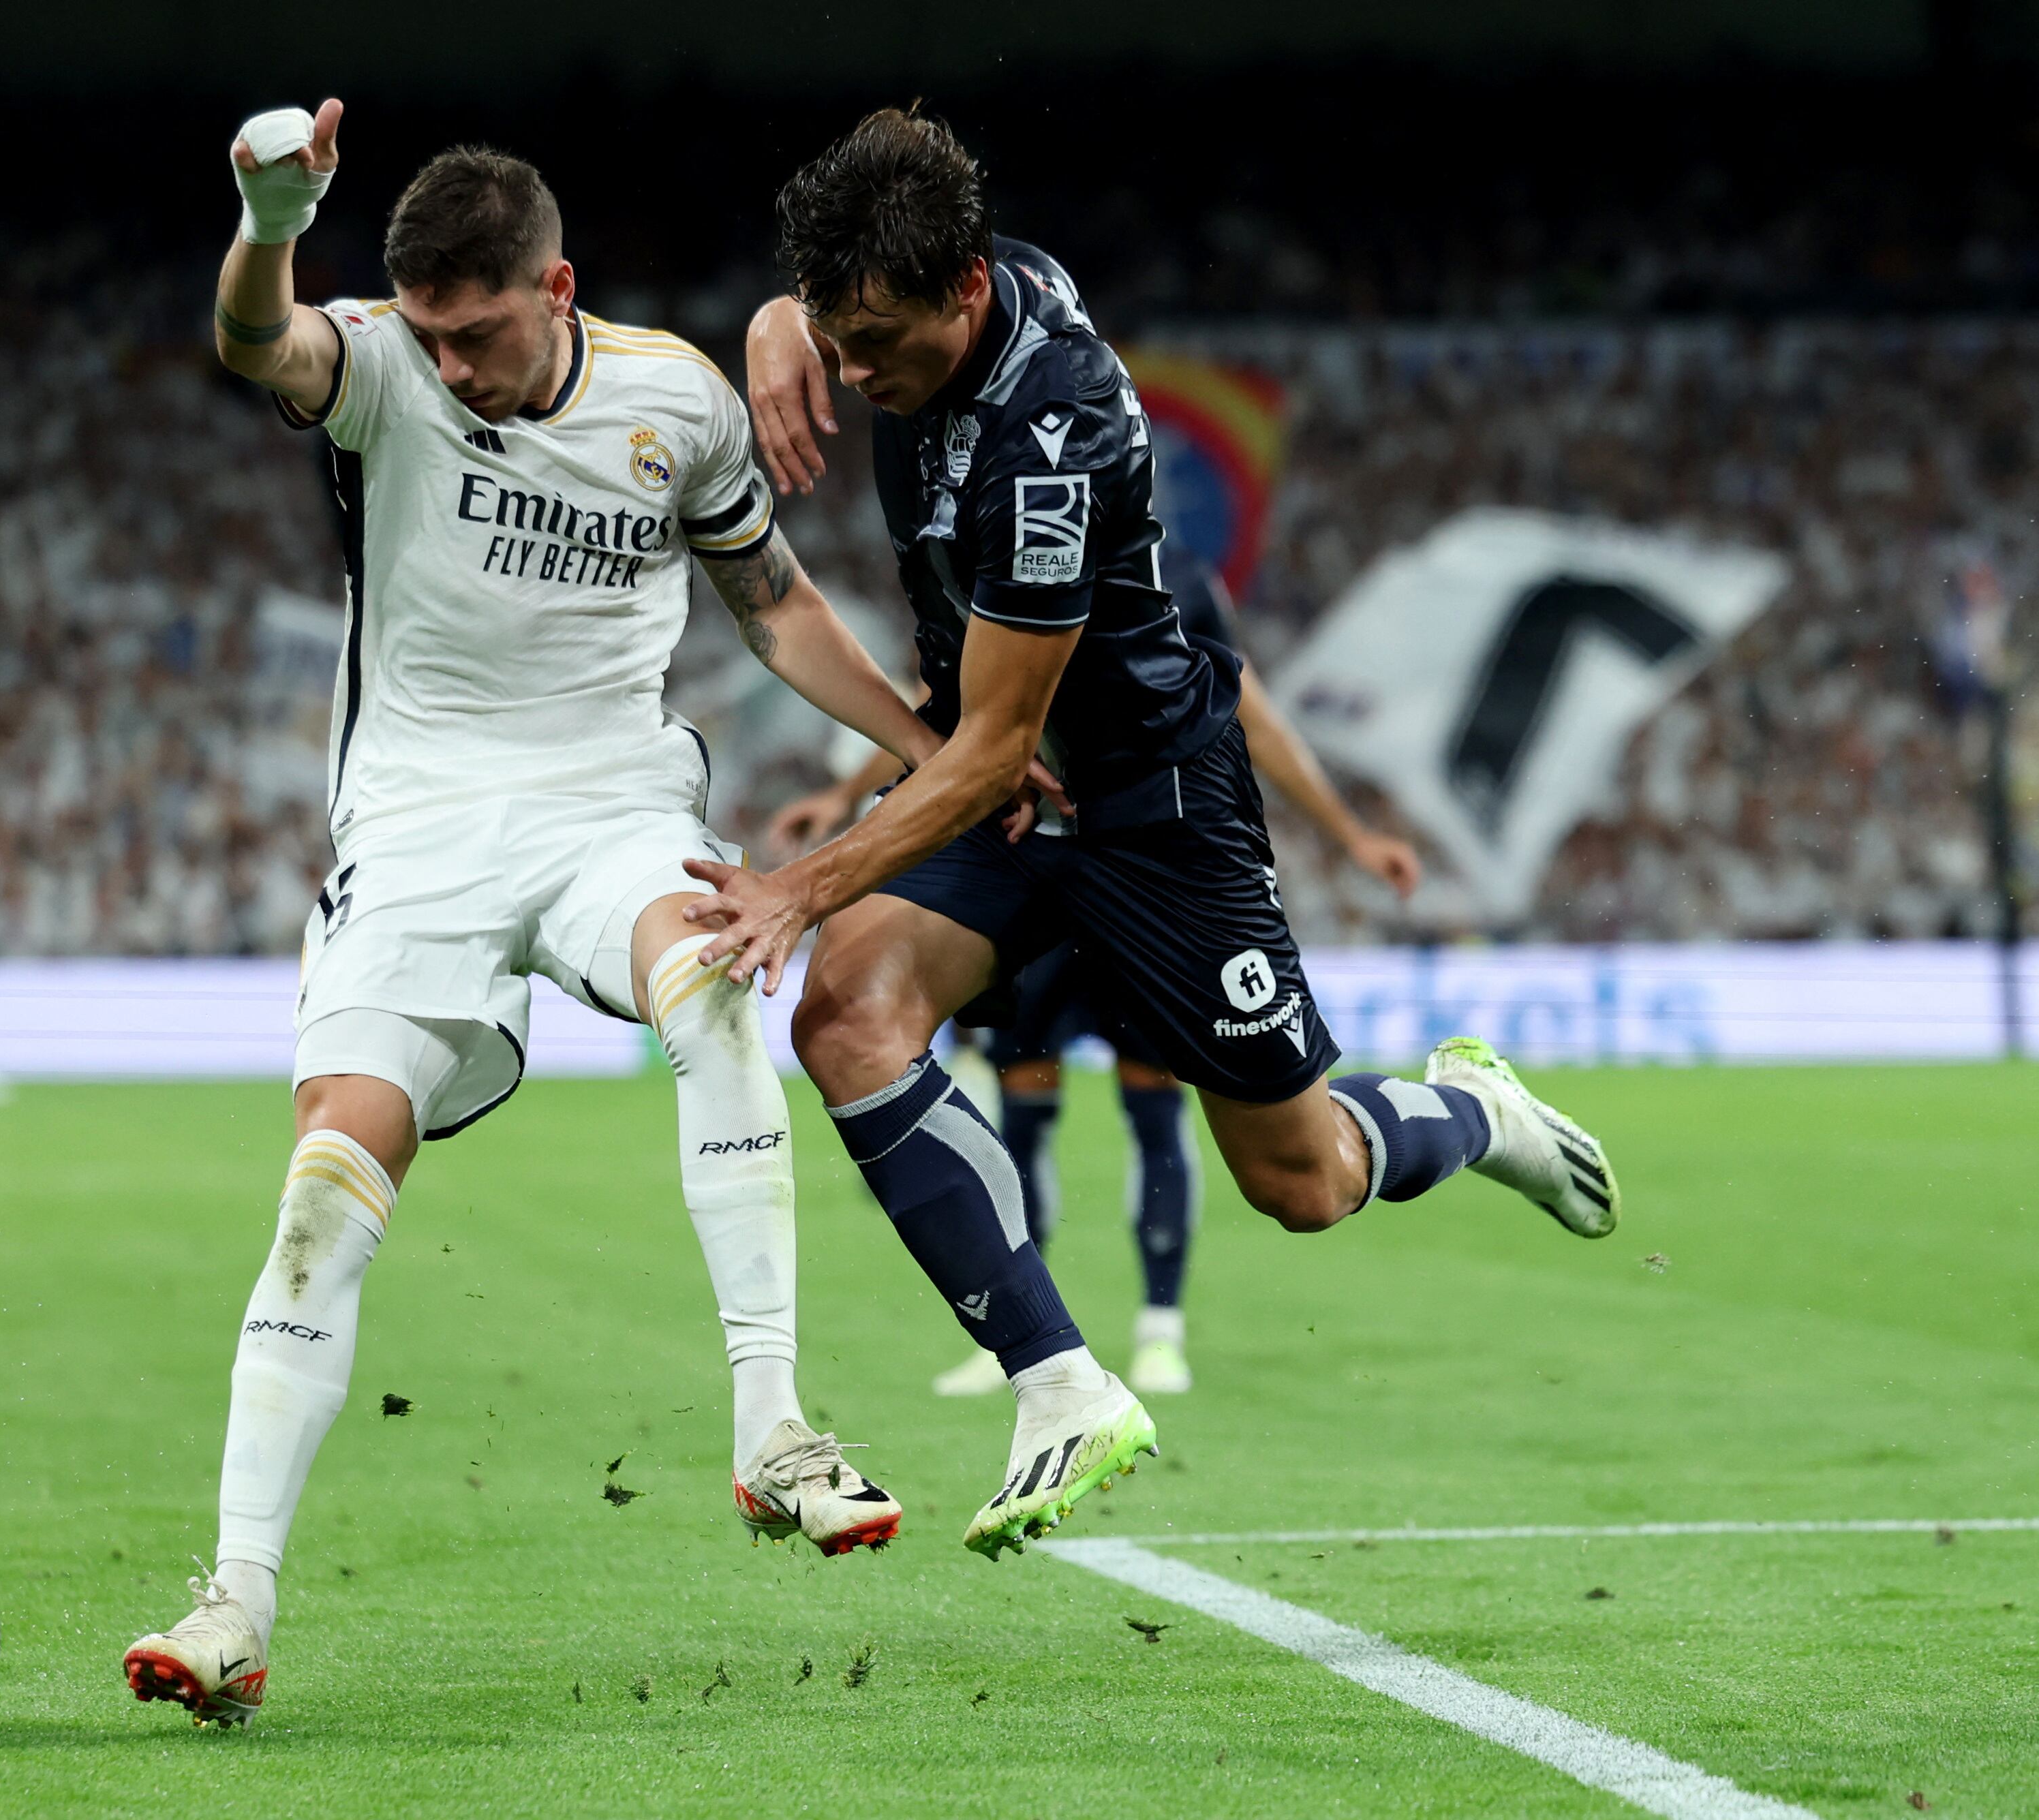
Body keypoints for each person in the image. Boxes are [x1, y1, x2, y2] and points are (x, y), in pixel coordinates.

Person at [686, 108, 1619, 1561]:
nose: (856, 376)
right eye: (840, 339)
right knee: (852, 1016)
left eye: (879, 347)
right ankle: (1061, 1383)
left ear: (969, 294)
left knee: (1301, 1182)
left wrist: (795, 885)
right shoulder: (949, 282)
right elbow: (846, 309)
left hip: (1142, 801)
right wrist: (774, 322)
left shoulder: (1052, 444)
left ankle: (1472, 1112)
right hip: (1006, 786)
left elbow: (994, 744)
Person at [124, 102, 943, 1725]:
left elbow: (772, 609)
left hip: (601, 803)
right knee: (323, 1184)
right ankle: (236, 1600)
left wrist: (929, 748)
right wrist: (271, 214)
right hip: (416, 825)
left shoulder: (675, 405)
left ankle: (773, 1428)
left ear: (555, 286)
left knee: (714, 983)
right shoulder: (382, 366)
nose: (454, 364)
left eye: (480, 332)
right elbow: (249, 338)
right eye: (428, 330)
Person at [764, 557, 1423, 1401]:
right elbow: (958, 712)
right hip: (1025, 862)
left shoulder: (1172, 574)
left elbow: (1244, 711)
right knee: (1026, 1109)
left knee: (1158, 1105)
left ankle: (1160, 1329)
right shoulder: (993, 531)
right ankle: (1022, 1333)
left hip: (1147, 871)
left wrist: (1349, 834)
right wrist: (844, 790)